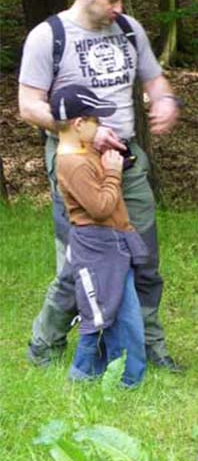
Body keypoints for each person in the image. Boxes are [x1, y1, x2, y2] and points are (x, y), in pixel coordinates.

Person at [18, 0, 182, 371]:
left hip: (126, 161)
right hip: (76, 161)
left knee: (143, 259)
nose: (118, 7)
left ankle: (146, 346)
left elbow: (154, 80)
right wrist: (85, 134)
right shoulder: (49, 37)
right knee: (81, 265)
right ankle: (46, 343)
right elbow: (27, 106)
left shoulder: (129, 29)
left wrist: (164, 100)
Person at [51, 85, 148, 387]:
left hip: (113, 244)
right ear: (79, 124)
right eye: (96, 121)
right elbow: (101, 208)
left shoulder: (82, 151)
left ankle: (123, 376)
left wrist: (110, 156)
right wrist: (113, 173)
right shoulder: (72, 162)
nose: (101, 127)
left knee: (124, 313)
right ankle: (84, 377)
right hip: (98, 248)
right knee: (101, 315)